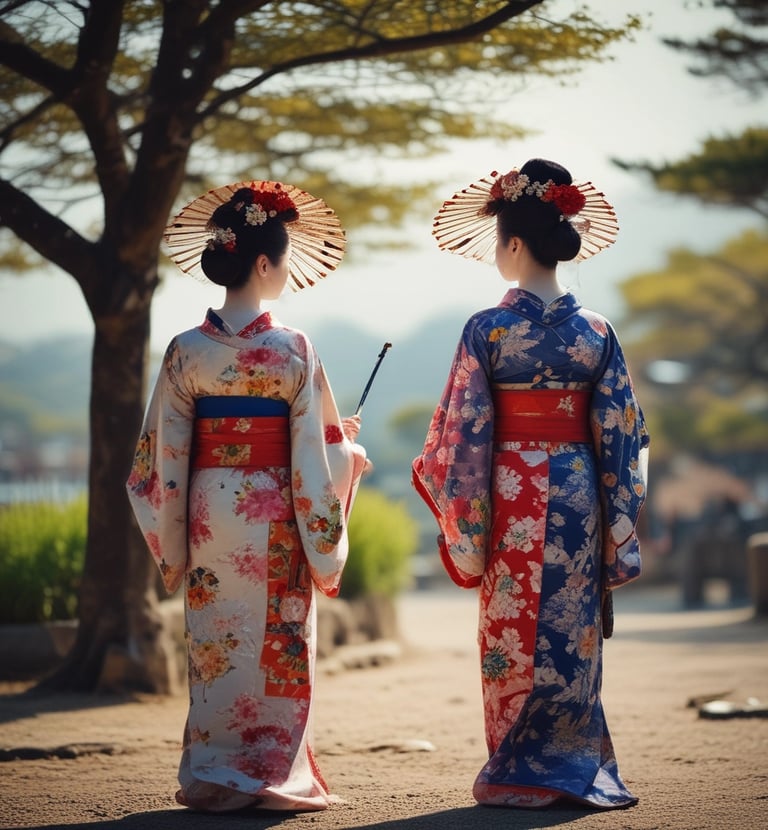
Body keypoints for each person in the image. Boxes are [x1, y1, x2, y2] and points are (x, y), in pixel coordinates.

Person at [412, 159, 649, 810]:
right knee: (571, 631)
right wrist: (617, 520)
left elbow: (461, 441)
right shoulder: (596, 331)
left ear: (513, 245)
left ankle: (517, 766)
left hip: (510, 489)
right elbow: (623, 435)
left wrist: (468, 522)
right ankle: (572, 763)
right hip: (578, 493)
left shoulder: (487, 329)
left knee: (511, 628)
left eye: (498, 244)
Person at [126, 180, 369, 812]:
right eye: (284, 260)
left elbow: (161, 460)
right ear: (264, 263)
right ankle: (270, 769)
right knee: (278, 637)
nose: (285, 272)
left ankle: (215, 766)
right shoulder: (293, 348)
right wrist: (351, 461)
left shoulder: (186, 349)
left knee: (216, 637)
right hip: (277, 511)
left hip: (208, 510)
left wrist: (175, 538)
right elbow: (318, 457)